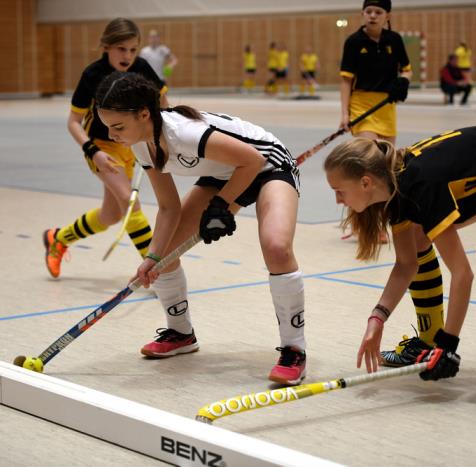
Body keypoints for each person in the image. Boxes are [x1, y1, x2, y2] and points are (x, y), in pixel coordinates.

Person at [323, 125, 476, 423]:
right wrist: (377, 318)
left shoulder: (421, 185)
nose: (338, 201)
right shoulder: (396, 188)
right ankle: (427, 342)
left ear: (365, 182)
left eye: (339, 191)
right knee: (418, 238)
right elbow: (406, 264)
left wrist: (448, 344)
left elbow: (462, 275)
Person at [94, 71, 307, 386]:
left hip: (267, 166)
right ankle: (181, 333)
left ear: (144, 114)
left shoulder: (184, 133)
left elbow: (251, 160)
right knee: (166, 254)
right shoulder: (141, 144)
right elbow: (168, 207)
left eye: (118, 127)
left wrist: (221, 206)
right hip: (225, 173)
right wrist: (153, 257)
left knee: (276, 247)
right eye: (108, 127)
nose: (112, 136)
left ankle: (294, 349)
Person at [42, 18, 169, 278]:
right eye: (121, 49)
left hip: (131, 146)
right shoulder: (92, 75)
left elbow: (164, 104)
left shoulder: (141, 67)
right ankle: (160, 273)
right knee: (130, 203)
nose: (128, 56)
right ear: (106, 46)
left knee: (111, 215)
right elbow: (73, 122)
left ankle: (59, 238)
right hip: (101, 147)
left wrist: (157, 137)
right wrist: (94, 152)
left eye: (133, 49)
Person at [340, 0, 411, 145]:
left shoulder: (395, 40)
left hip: (387, 106)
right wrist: (345, 114)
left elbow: (407, 70)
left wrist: (403, 81)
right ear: (362, 14)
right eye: (368, 11)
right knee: (372, 151)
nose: (372, 16)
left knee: (386, 156)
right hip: (361, 106)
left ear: (387, 16)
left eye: (378, 12)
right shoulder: (353, 42)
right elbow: (346, 81)